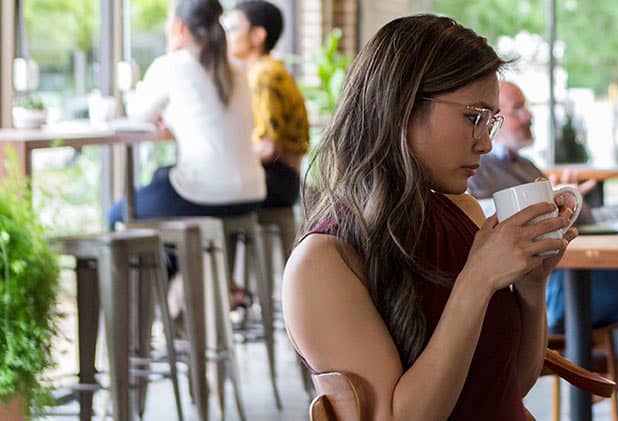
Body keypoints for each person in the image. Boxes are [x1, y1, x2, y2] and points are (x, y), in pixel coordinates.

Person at [283, 15, 579, 420]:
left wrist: (531, 285)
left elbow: (510, 383)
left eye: (491, 120)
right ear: (402, 104)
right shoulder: (323, 262)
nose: (487, 141)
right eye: (473, 116)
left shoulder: (465, 212)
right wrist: (476, 280)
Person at [467, 81, 618, 335]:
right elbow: (484, 222)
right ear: (493, 119)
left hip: (565, 281)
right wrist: (548, 205)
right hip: (552, 290)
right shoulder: (475, 170)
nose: (529, 116)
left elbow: (581, 221)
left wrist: (570, 201)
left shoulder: (525, 165)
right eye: (518, 109)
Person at [108, 0, 263, 226]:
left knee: (116, 215)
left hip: (205, 193)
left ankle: (171, 262)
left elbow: (137, 115)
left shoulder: (172, 64)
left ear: (179, 27)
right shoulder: (238, 70)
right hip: (252, 192)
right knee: (162, 176)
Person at [226, 0, 310, 208]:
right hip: (286, 179)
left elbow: (268, 148)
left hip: (275, 180)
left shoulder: (264, 75)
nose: (227, 36)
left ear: (258, 35)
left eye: (234, 28)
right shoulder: (272, 69)